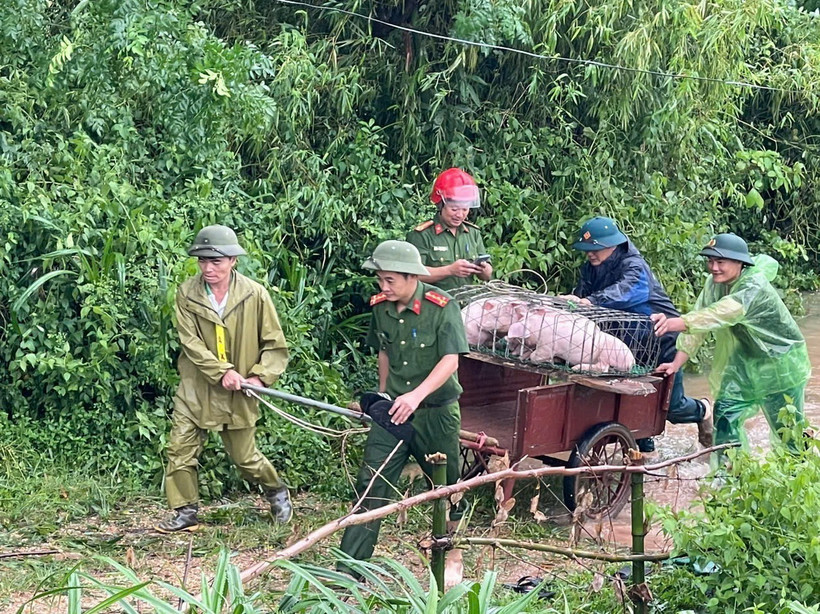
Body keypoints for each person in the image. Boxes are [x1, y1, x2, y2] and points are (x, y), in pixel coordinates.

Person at [339, 240, 469, 569]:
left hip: (436, 414)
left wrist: (416, 396)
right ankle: (350, 568)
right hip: (394, 414)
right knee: (371, 484)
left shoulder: (442, 306)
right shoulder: (381, 307)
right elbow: (384, 351)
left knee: (448, 489)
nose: (383, 286)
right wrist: (384, 395)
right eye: (380, 279)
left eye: (390, 280)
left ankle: (450, 556)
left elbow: (450, 361)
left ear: (412, 277)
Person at [155, 225, 292, 533]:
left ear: (233, 261)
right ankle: (185, 511)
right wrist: (221, 372)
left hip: (239, 390)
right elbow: (191, 343)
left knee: (245, 458)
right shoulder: (187, 293)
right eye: (202, 261)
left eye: (216, 261)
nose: (208, 268)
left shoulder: (255, 294)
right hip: (196, 386)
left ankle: (276, 492)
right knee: (180, 449)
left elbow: (275, 345)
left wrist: (259, 378)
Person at [563, 216, 713, 451]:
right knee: (632, 404)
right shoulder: (590, 269)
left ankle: (703, 410)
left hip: (662, 341)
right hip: (628, 344)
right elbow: (582, 297)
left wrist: (591, 301)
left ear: (613, 245)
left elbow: (628, 291)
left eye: (595, 249)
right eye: (586, 250)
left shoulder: (634, 266)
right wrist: (572, 302)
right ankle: (644, 456)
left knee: (671, 408)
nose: (590, 254)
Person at [651, 233, 810, 452]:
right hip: (743, 360)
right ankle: (731, 470)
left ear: (740, 262)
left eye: (720, 262)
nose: (713, 268)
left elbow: (723, 312)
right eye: (710, 261)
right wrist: (676, 364)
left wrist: (675, 323)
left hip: (780, 364)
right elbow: (699, 324)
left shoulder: (754, 286)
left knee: (787, 430)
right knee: (725, 414)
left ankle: (799, 468)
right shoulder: (714, 284)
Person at [406, 167, 493, 292]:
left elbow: (487, 276)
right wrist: (449, 270)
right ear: (440, 205)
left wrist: (484, 269)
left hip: (467, 300)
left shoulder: (473, 233)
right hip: (434, 301)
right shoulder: (422, 235)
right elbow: (413, 275)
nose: (460, 215)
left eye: (465, 209)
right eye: (454, 209)